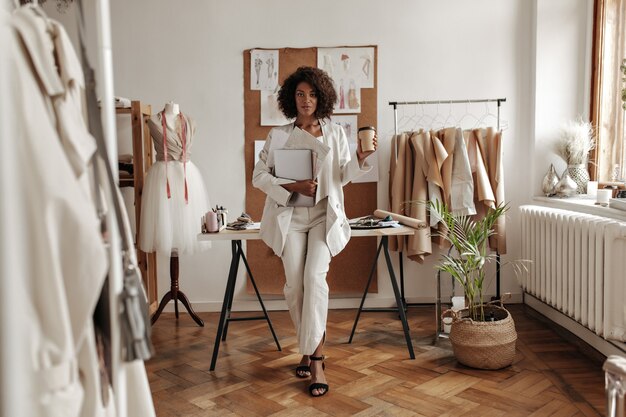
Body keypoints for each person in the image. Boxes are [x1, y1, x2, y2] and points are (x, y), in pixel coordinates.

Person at [252, 66, 377, 397]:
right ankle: (307, 347)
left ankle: (317, 359)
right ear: (291, 98)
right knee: (295, 286)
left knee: (314, 279)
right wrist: (292, 185)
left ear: (321, 97)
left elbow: (343, 174)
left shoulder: (335, 133)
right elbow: (259, 176)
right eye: (300, 94)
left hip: (324, 217)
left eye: (312, 94)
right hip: (290, 217)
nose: (306, 100)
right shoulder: (278, 135)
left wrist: (362, 158)